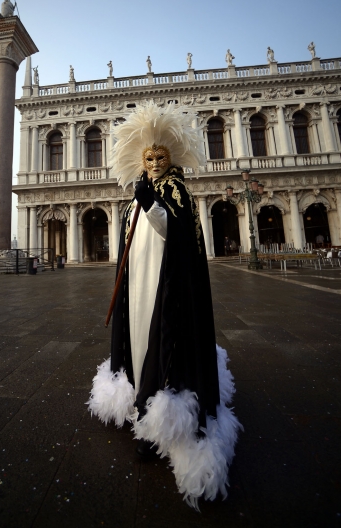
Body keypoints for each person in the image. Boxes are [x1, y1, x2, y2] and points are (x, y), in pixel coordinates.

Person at [88, 100, 242, 508]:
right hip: (137, 287)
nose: (155, 164)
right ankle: (142, 405)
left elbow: (176, 233)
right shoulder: (135, 195)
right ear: (140, 160)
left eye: (160, 158)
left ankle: (161, 421)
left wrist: (151, 203)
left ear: (171, 158)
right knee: (140, 343)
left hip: (166, 286)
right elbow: (129, 238)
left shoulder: (176, 191)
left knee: (163, 344)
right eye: (148, 158)